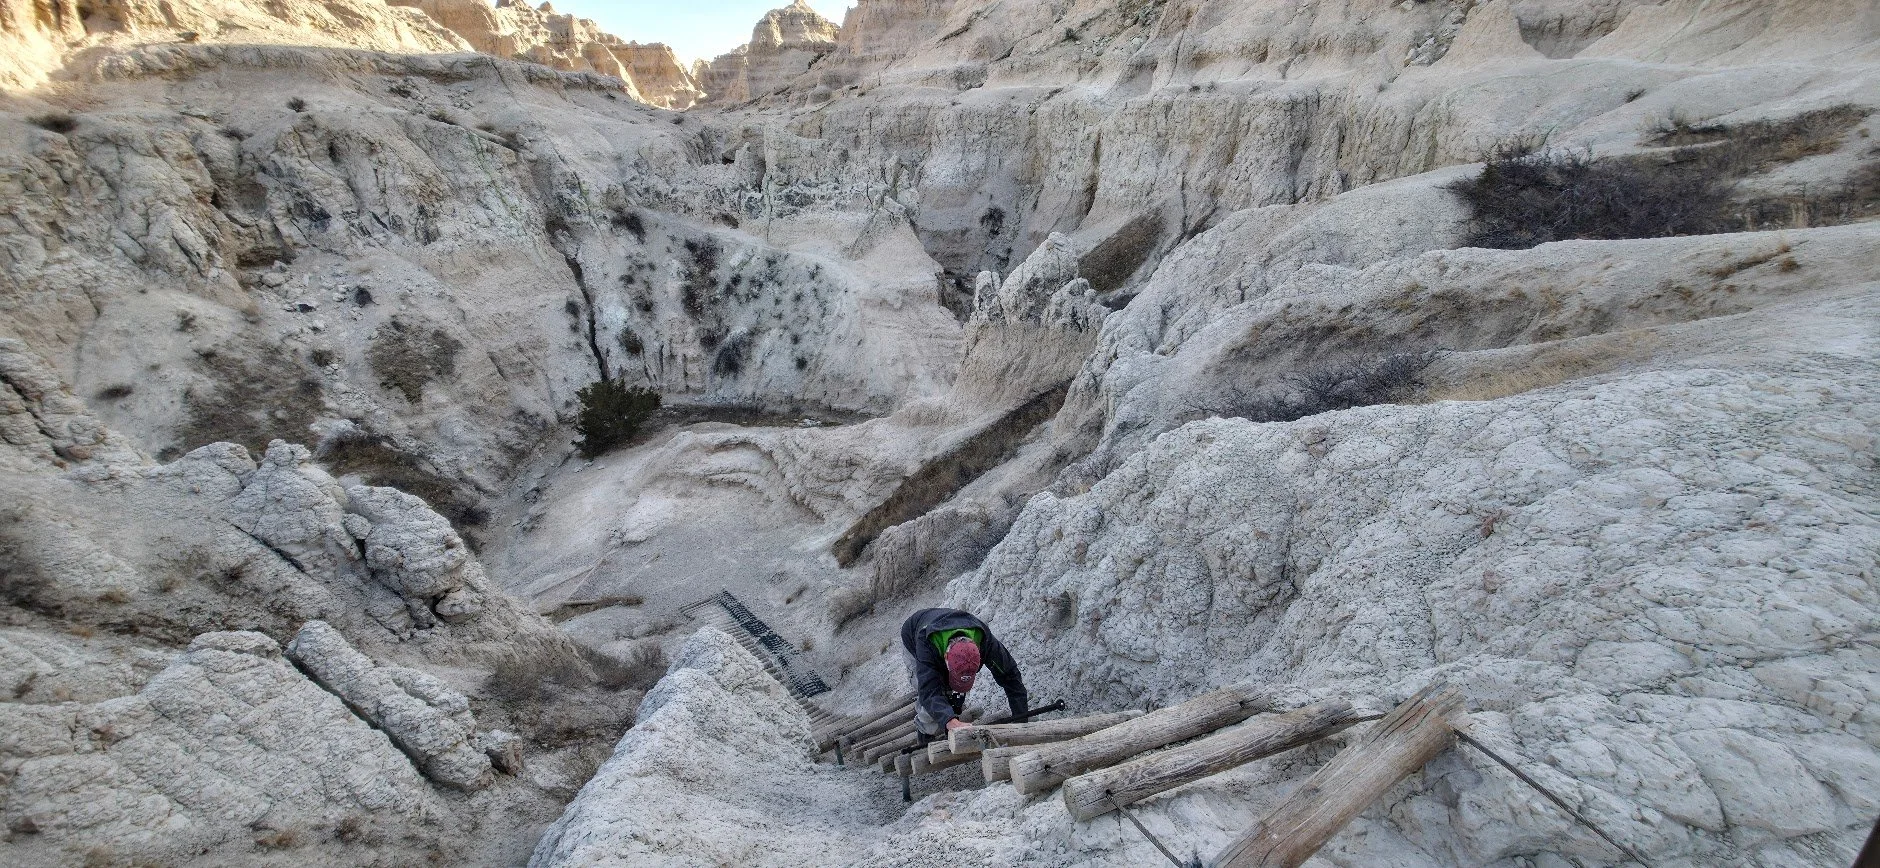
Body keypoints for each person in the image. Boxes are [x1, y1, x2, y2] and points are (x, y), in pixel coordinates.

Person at [900, 607, 1028, 742]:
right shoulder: (926, 643)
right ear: (945, 658)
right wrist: (948, 720)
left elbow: (1011, 677)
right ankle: (924, 732)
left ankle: (953, 714)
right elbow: (929, 691)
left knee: (954, 696)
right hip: (913, 635)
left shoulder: (986, 642)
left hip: (948, 629)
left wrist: (1021, 721)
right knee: (928, 698)